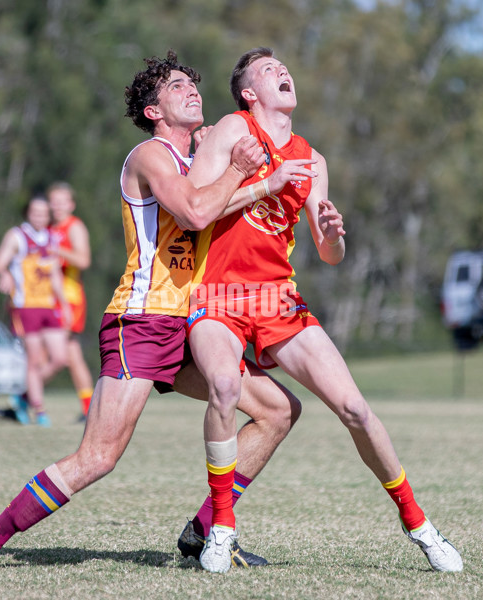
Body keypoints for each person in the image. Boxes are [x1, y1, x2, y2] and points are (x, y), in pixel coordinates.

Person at [0, 51, 305, 570]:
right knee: (99, 457)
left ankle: (209, 530)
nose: (192, 91)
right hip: (141, 321)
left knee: (278, 411)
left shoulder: (198, 160)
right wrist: (246, 172)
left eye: (193, 84)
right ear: (153, 109)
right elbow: (197, 211)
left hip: (193, 321)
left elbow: (218, 209)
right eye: (177, 86)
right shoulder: (151, 156)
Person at [184, 47, 463, 574]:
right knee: (223, 387)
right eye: (268, 70)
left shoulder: (314, 162)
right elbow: (194, 211)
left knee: (355, 409)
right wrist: (263, 184)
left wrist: (333, 236)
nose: (282, 71)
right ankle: (221, 529)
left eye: (284, 66)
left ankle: (421, 526)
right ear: (249, 93)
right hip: (217, 293)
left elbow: (330, 255)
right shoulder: (229, 130)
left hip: (277, 297)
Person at [0, 195, 71, 427]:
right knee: (34, 361)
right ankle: (40, 410)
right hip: (25, 306)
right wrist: (4, 274)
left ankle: (23, 397)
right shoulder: (16, 236)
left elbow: (54, 273)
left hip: (48, 305)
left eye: (44, 213)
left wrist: (63, 303)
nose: (40, 216)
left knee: (59, 358)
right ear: (28, 213)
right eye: (35, 212)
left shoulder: (51, 238)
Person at [48, 181, 94, 418]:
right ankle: (90, 409)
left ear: (71, 204)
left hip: (69, 297)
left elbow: (84, 260)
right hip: (47, 297)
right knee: (72, 356)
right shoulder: (46, 228)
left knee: (51, 353)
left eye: (61, 201)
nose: (56, 206)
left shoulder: (74, 227)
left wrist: (57, 251)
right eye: (53, 201)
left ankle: (22, 399)